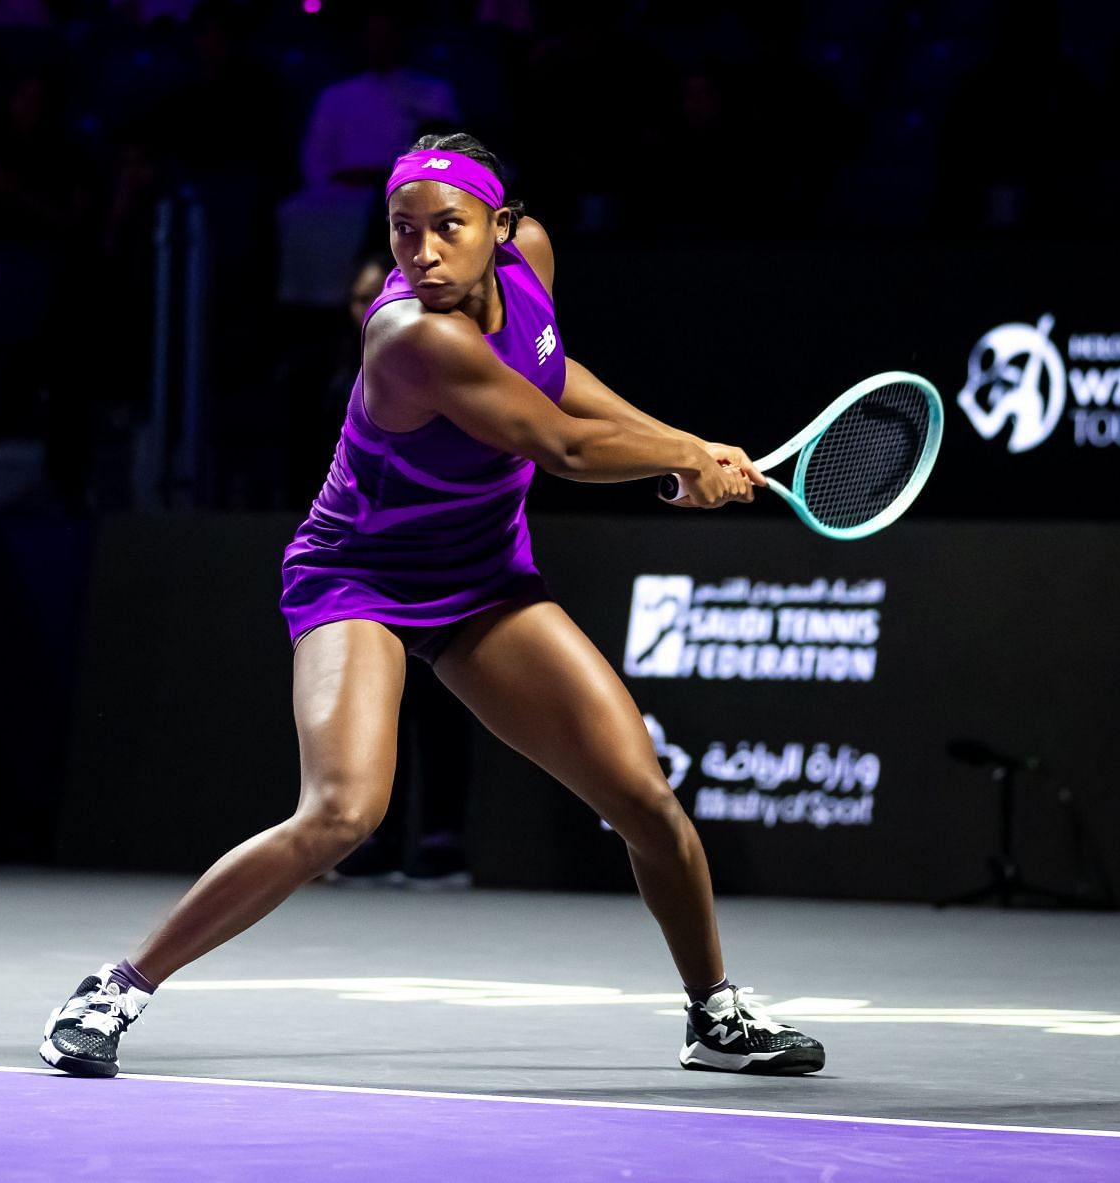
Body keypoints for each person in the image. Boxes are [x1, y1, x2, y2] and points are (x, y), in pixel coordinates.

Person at [40, 133, 826, 1079]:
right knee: (341, 810)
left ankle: (715, 1014)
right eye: (401, 231)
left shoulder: (530, 259)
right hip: (357, 577)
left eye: (446, 229)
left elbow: (553, 375)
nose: (420, 253)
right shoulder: (410, 334)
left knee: (644, 799)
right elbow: (561, 447)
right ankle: (116, 988)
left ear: (500, 229)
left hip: (485, 577)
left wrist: (686, 444)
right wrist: (680, 465)